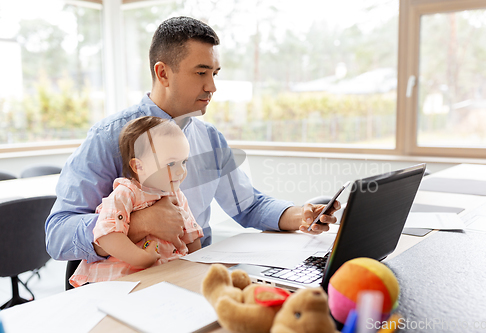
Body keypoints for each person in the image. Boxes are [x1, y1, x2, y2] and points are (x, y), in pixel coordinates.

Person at [45, 16, 340, 265]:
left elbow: (249, 206)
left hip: (194, 271)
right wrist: (140, 223)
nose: (212, 86)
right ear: (163, 73)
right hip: (133, 285)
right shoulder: (110, 137)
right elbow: (57, 235)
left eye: (214, 73)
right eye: (201, 72)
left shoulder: (210, 138)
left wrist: (301, 216)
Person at [69, 116, 202, 287]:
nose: (181, 171)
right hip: (123, 279)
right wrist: (142, 258)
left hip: (164, 275)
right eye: (171, 164)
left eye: (184, 162)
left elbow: (191, 237)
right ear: (138, 166)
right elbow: (107, 235)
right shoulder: (125, 193)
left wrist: (197, 268)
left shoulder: (176, 195)